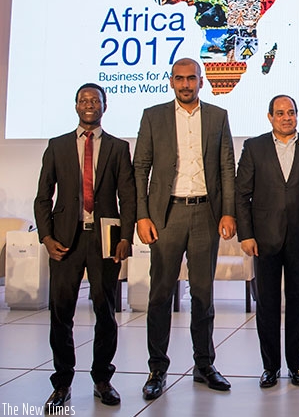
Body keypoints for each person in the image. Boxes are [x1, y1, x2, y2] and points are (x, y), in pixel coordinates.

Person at [133, 57, 237, 399]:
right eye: (179, 79)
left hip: (206, 212)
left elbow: (226, 167)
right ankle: (157, 369)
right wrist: (142, 215)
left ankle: (204, 364)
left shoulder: (217, 117)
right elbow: (140, 168)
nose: (185, 84)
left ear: (201, 81)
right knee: (160, 294)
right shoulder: (153, 116)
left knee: (203, 296)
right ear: (171, 81)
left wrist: (227, 212)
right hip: (166, 214)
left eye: (191, 78)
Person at [34, 83, 136, 412]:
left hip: (104, 239)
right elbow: (43, 197)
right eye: (84, 100)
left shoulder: (119, 148)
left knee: (105, 310)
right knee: (61, 312)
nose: (89, 105)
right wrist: (46, 237)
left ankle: (102, 378)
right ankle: (62, 382)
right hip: (65, 238)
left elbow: (128, 197)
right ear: (76, 106)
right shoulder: (57, 146)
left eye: (95, 100)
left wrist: (125, 237)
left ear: (104, 106)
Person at [235, 95, 299, 388]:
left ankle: (296, 365)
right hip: (263, 239)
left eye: (291, 112)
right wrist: (246, 234)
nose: (286, 117)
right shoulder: (254, 147)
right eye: (280, 113)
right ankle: (270, 367)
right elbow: (242, 194)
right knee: (266, 304)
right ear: (270, 117)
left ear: (297, 115)